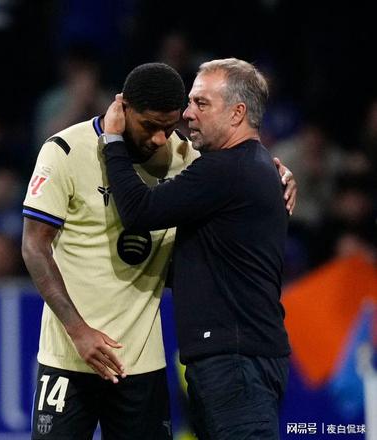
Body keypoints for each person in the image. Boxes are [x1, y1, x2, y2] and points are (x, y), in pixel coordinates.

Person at [22, 62, 296, 439]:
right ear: (123, 107)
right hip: (69, 356)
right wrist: (77, 330)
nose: (158, 139)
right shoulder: (65, 149)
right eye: (149, 125)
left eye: (168, 127)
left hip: (141, 365)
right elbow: (34, 247)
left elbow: (236, 168)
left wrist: (276, 173)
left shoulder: (186, 156)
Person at [101, 58, 292, 439]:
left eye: (201, 103)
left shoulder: (226, 169)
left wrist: (113, 141)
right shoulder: (253, 166)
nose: (187, 114)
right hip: (238, 358)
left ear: (238, 113)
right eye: (190, 102)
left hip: (235, 362)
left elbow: (139, 211)